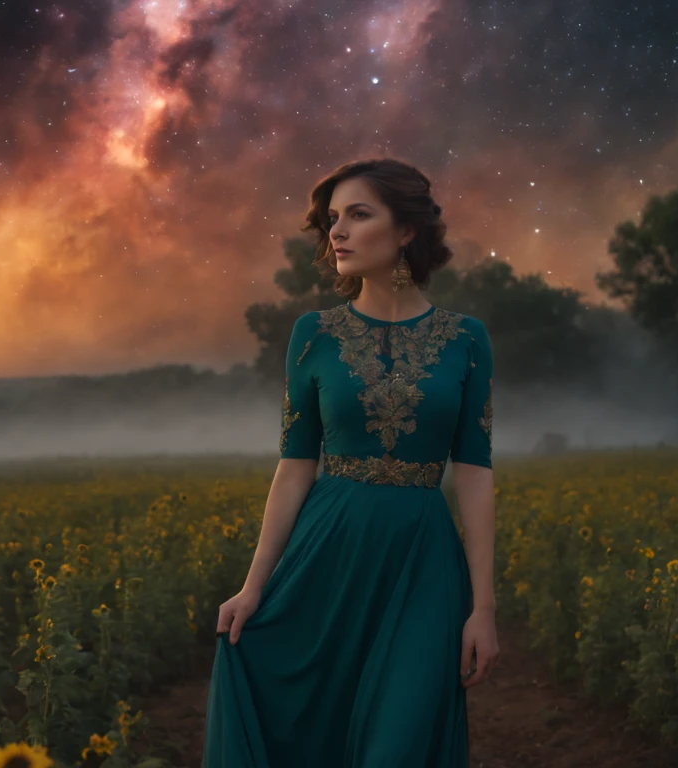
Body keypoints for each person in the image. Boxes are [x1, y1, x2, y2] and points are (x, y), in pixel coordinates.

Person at [202, 157, 499, 766]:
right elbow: (293, 465)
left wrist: (484, 609)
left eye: (358, 215)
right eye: (332, 219)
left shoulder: (468, 339)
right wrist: (253, 586)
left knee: (401, 744)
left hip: (422, 562)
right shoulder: (312, 334)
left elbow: (474, 470)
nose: (336, 231)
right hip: (327, 553)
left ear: (407, 230)